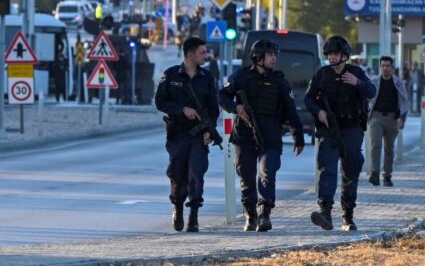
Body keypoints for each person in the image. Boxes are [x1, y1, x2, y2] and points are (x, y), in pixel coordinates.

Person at [219, 40, 305, 232]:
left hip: (271, 135)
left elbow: (291, 111)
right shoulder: (241, 77)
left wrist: (298, 137)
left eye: (275, 54)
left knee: (267, 173)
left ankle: (264, 213)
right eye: (270, 54)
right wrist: (236, 107)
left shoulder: (279, 81)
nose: (274, 58)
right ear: (258, 57)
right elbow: (222, 95)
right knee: (247, 176)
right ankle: (250, 215)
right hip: (244, 134)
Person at [304, 36, 376, 232]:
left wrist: (357, 83)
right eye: (329, 54)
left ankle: (348, 215)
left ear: (344, 55)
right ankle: (325, 212)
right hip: (329, 129)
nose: (332, 57)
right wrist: (319, 112)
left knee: (351, 169)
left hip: (352, 128)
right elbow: (308, 99)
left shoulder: (356, 72)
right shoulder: (322, 75)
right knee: (326, 168)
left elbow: (371, 91)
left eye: (335, 54)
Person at [155, 37, 220, 233]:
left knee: (196, 174)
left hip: (199, 136)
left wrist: (210, 130)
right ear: (190, 54)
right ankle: (177, 208)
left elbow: (213, 109)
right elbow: (160, 102)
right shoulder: (171, 75)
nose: (205, 55)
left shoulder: (207, 77)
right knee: (178, 174)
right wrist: (182, 109)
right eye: (202, 52)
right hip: (178, 134)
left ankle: (193, 217)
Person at [367, 56, 408, 187]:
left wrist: (402, 118)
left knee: (389, 148)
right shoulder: (374, 82)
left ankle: (387, 176)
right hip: (376, 117)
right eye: (383, 66)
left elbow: (404, 101)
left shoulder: (398, 83)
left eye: (388, 66)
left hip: (392, 118)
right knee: (376, 144)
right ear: (380, 67)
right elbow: (366, 97)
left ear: (392, 67)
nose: (385, 68)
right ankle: (374, 174)